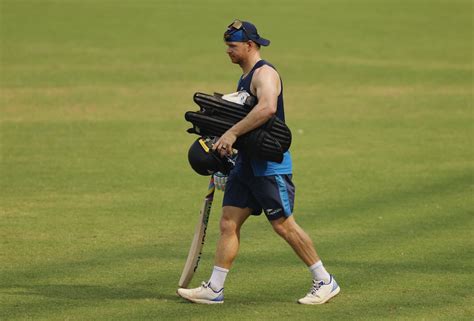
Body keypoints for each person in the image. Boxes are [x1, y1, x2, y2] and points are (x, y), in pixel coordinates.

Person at [177, 20, 340, 305]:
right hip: (246, 165)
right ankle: (215, 288)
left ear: (250, 45)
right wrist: (228, 155)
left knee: (283, 225)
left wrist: (232, 132)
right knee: (228, 222)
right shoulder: (244, 79)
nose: (228, 51)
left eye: (232, 46)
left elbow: (267, 108)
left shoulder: (265, 73)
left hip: (269, 166)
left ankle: (325, 281)